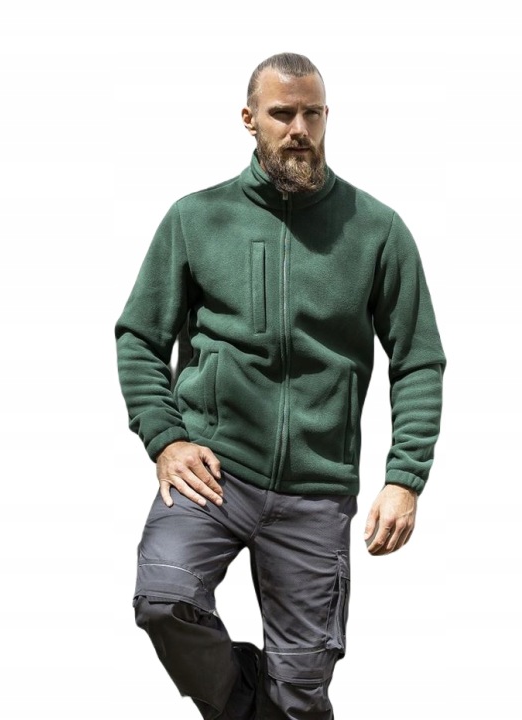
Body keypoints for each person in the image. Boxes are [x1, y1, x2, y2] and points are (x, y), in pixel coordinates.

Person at [115, 52, 446, 720]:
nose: (299, 129)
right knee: (164, 600)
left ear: (327, 117)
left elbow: (418, 360)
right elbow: (140, 336)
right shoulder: (196, 218)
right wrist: (166, 440)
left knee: (301, 692)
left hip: (315, 492)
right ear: (249, 119)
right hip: (214, 473)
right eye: (282, 113)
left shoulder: (377, 229)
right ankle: (249, 703)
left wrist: (405, 478)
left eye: (312, 114)